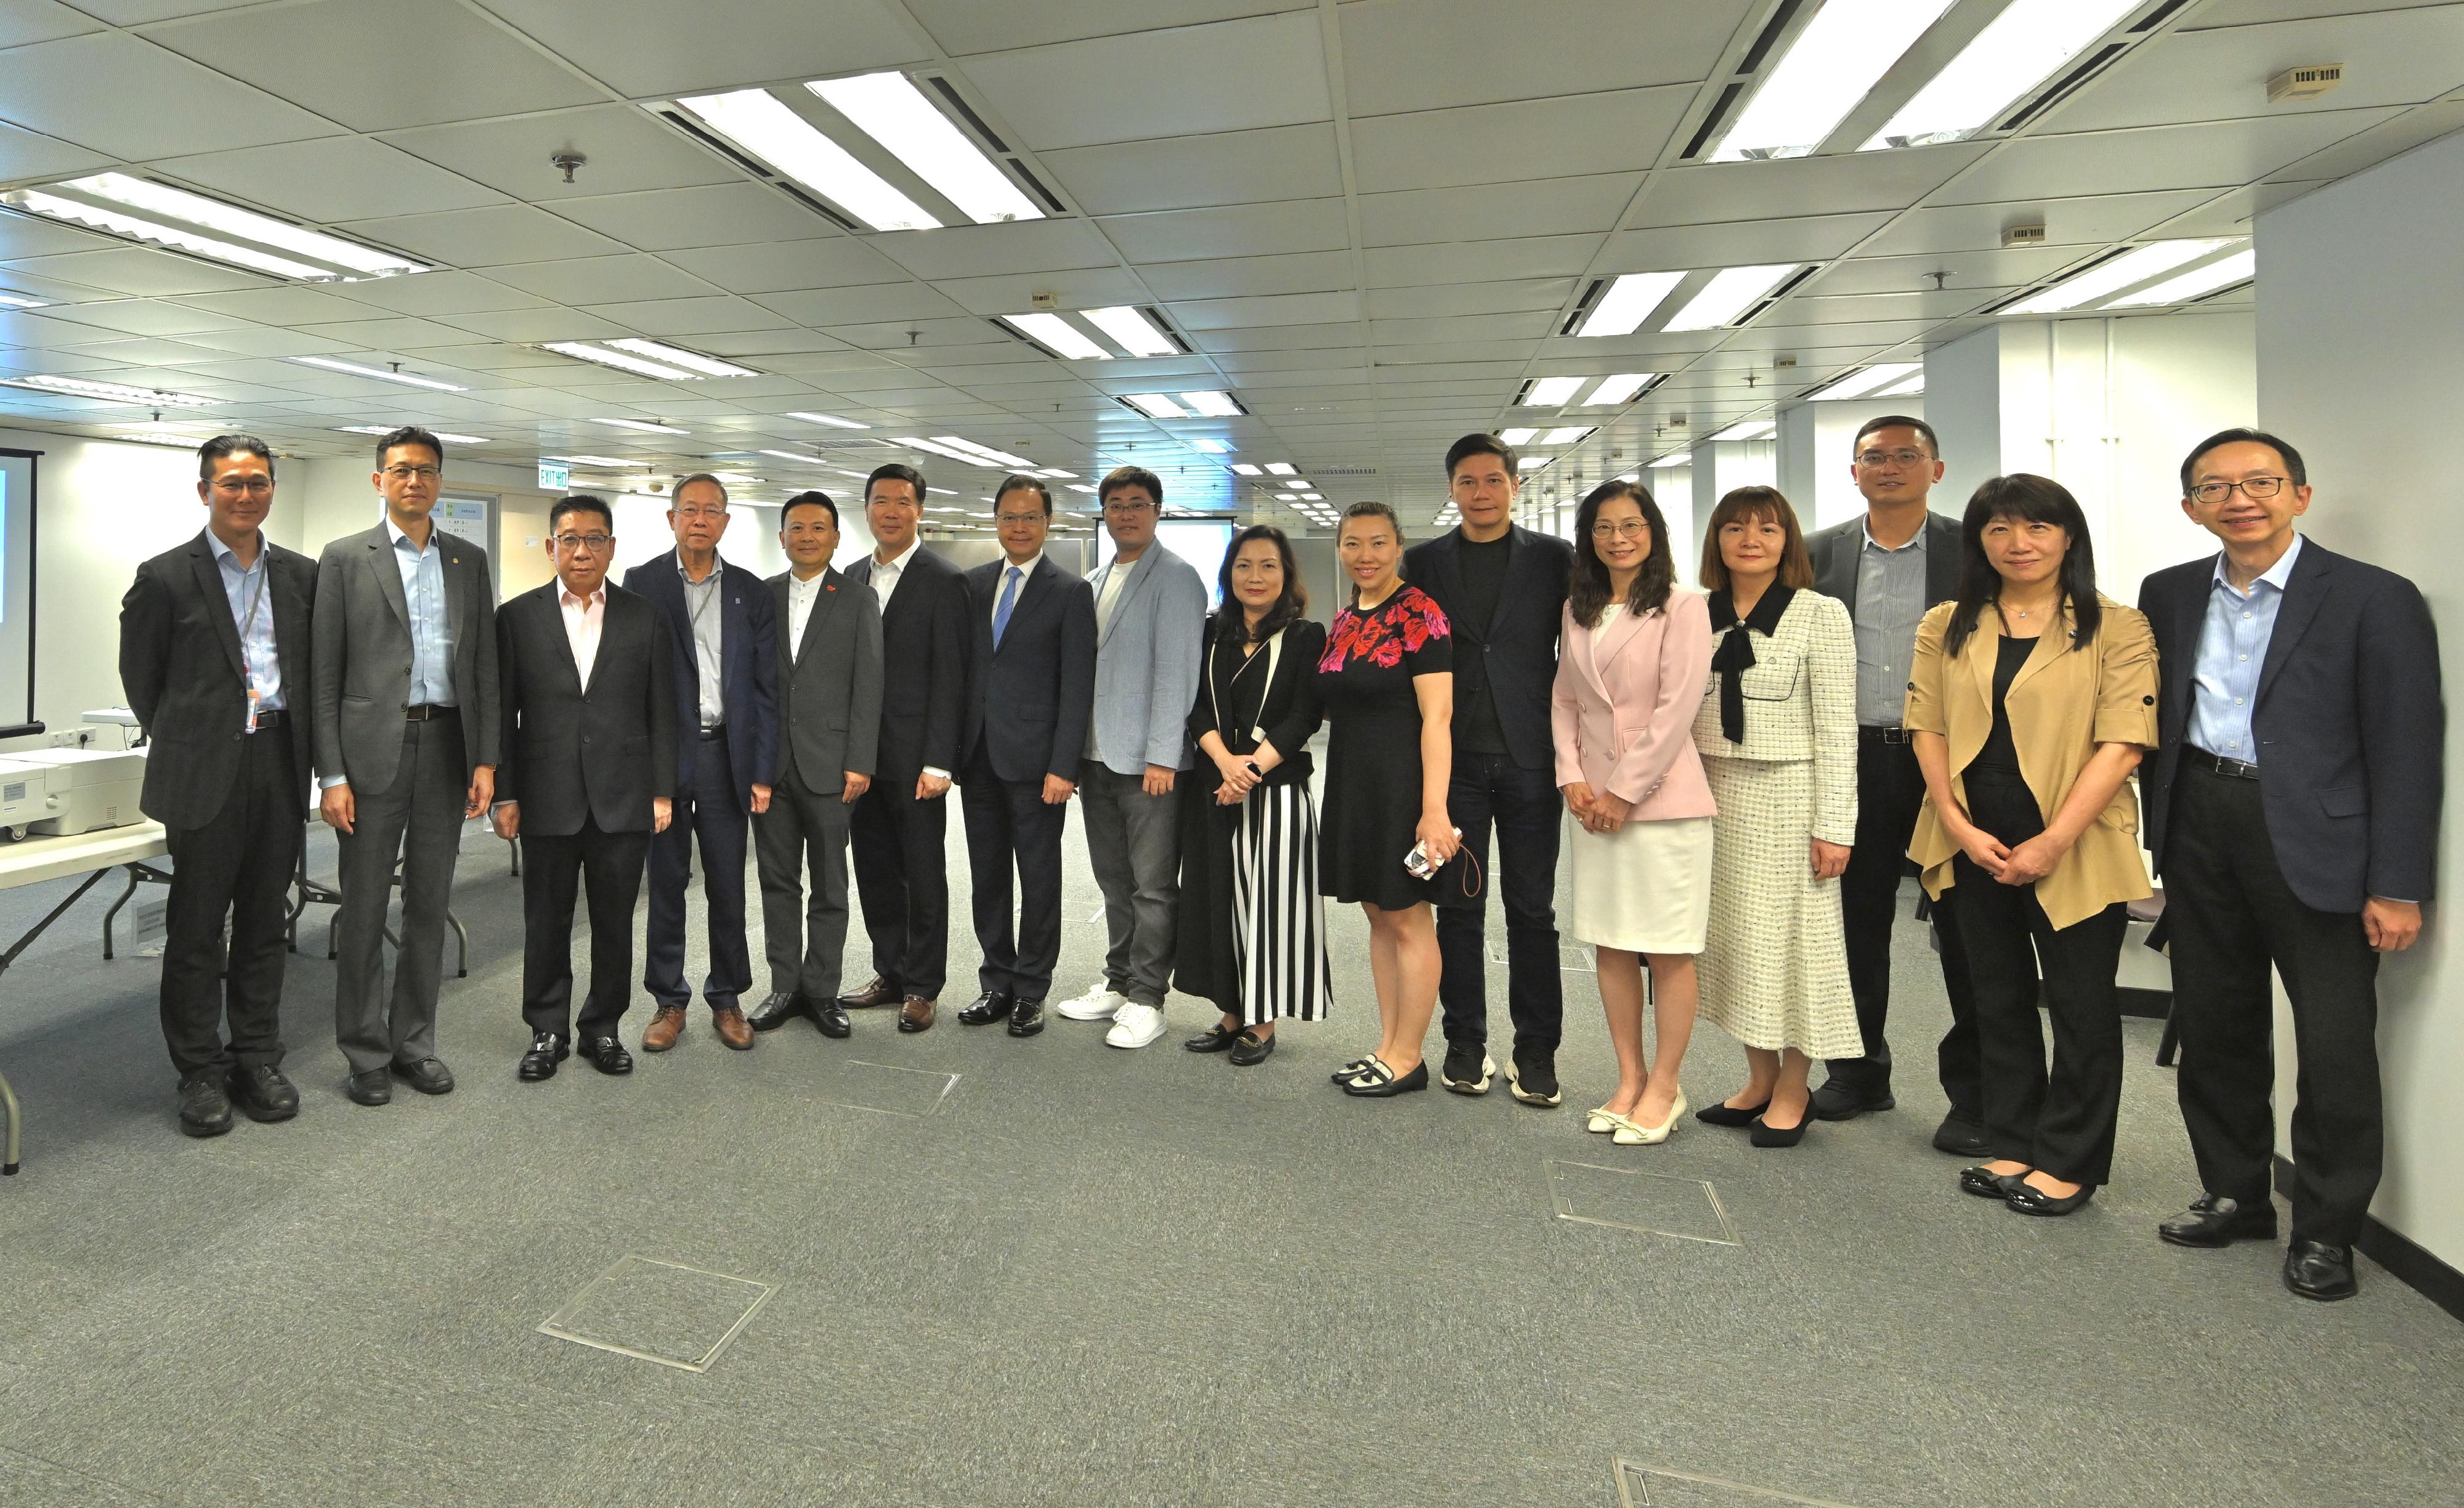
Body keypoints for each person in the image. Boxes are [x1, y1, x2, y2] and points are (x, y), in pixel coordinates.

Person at [2139, 428, 2441, 1301]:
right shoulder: (2167, 593)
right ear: (2191, 507)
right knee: (2215, 1022)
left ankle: (2326, 1231)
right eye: (2216, 487)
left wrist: (2397, 883)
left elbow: (2407, 747)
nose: (2239, 500)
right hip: (2199, 820)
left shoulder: (2373, 597)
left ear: (2299, 495)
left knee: (2334, 1042)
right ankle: (2235, 1193)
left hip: (2319, 840)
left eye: (2261, 482)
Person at [1906, 474, 2156, 1217]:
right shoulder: (1947, 623)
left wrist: (2052, 841)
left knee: (2081, 1003)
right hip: (1969, 833)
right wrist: (1955, 823)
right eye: (1999, 529)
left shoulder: (2117, 626)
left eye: (2037, 527)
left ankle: (2069, 1161)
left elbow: (2124, 742)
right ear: (1978, 541)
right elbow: (1926, 726)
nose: (2019, 544)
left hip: (2075, 836)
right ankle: (2012, 1140)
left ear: (2067, 536)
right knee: (1995, 996)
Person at [119, 435, 318, 1137]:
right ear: (205, 491)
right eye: (231, 483)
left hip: (279, 762)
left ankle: (256, 1057)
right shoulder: (164, 577)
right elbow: (142, 681)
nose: (245, 495)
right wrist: (195, 737)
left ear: (272, 491)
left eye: (258, 482)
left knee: (266, 921)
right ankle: (199, 1070)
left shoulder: (300, 575)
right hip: (203, 771)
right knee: (197, 929)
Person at [1805, 415, 1984, 1154]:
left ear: (1935, 470)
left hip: (1951, 758)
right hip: (1851, 755)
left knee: (1965, 927)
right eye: (1874, 458)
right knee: (1853, 921)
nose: (1889, 468)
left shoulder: (1975, 550)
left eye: (1906, 456)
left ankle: (1976, 1093)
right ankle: (1856, 1071)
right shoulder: (1816, 553)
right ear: (1853, 472)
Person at [310, 426, 500, 1108]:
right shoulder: (343, 559)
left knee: (429, 904)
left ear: (440, 482)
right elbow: (323, 673)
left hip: (447, 748)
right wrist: (331, 774)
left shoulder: (468, 560)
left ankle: (414, 1043)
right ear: (379, 481)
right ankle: (365, 1052)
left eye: (425, 470)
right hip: (370, 756)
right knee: (363, 909)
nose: (413, 481)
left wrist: (487, 759)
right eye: (400, 470)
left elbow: (483, 665)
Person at [1403, 434, 1575, 1105]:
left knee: (1532, 910)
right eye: (1468, 482)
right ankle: (1465, 1043)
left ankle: (1536, 1050)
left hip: (1533, 756)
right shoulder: (1423, 563)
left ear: (1514, 485)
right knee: (1458, 909)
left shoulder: (1554, 559)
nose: (1481, 493)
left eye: (1493, 480)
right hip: (1456, 763)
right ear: (1452, 489)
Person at [1687, 487, 1861, 1148]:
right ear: (1717, 541)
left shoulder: (1820, 614)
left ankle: (1794, 1087)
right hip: (1713, 797)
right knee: (1735, 946)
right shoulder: (1696, 613)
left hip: (1790, 799)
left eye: (1766, 529)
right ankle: (1759, 1079)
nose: (1750, 540)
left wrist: (1835, 826)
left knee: (1793, 949)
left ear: (1788, 540)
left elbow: (1838, 729)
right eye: (1735, 528)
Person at [1551, 480, 1716, 1145]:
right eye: (1603, 527)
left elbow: (1678, 708)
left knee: (1667, 948)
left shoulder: (1683, 605)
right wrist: (1571, 777)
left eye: (1631, 525)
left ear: (1653, 531)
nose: (1618, 538)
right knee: (1612, 943)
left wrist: (1624, 791)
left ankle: (1666, 1087)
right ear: (1588, 538)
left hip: (1662, 802)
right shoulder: (1578, 608)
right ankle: (1629, 1077)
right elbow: (1565, 698)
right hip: (1592, 803)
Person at [492, 495, 676, 1082]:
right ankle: (547, 1029)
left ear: (611, 548)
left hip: (623, 796)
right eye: (569, 539)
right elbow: (503, 714)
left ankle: (603, 1027)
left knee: (614, 921)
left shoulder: (645, 617)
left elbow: (662, 711)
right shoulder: (517, 617)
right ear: (551, 547)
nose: (581, 551)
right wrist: (505, 793)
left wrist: (662, 791)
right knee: (546, 920)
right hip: (546, 796)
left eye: (595, 539)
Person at [622, 474, 779, 1054]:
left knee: (727, 883)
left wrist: (762, 769)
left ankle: (727, 996)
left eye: (712, 511)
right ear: (671, 519)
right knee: (665, 881)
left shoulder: (750, 591)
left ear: (726, 522)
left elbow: (766, 690)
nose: (700, 520)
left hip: (724, 756)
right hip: (666, 757)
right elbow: (631, 679)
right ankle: (669, 999)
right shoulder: (642, 583)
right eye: (689, 510)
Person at [1054, 465, 1207, 1049]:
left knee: (1153, 886)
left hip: (1150, 765)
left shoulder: (1177, 577)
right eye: (1116, 504)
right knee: (1114, 882)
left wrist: (1164, 755)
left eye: (1138, 503)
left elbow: (1177, 673)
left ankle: (1148, 998)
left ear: (1157, 511)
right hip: (1096, 758)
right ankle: (1119, 981)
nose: (1126, 514)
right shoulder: (1094, 579)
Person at [1317, 500, 1459, 1097]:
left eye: (1378, 543)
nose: (1365, 555)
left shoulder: (1420, 613)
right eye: (1353, 543)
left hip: (1403, 787)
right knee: (1377, 913)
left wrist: (1434, 809)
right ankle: (1388, 1045)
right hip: (1353, 783)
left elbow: (1438, 717)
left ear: (1399, 547)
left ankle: (1409, 1056)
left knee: (1407, 917)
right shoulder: (1345, 618)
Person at [1176, 526, 1332, 1065]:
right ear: (1229, 574)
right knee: (1218, 898)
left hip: (1276, 791)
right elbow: (1195, 706)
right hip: (1213, 784)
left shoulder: (1306, 636)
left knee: (1268, 907)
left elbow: (1305, 715)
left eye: (1268, 565)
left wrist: (1249, 771)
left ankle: (1262, 1023)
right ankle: (1231, 1013)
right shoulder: (1210, 633)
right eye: (1244, 565)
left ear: (1286, 574)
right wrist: (1225, 762)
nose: (1256, 577)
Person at [952, 476, 1097, 1039]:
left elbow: (1077, 686)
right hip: (978, 759)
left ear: (1047, 524)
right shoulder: (972, 584)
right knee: (987, 877)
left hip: (1038, 765)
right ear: (996, 522)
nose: (1019, 527)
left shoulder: (1069, 591)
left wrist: (1065, 766)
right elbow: (964, 673)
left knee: (1038, 880)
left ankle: (1032, 988)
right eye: (1009, 517)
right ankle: (996, 981)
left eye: (1030, 517)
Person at [840, 463, 971, 1035]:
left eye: (902, 501)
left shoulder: (945, 580)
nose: (890, 512)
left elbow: (952, 677)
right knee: (873, 869)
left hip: (917, 759)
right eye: (880, 501)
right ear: (866, 508)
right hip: (859, 760)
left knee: (922, 874)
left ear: (920, 510)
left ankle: (923, 985)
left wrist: (941, 761)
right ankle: (890, 971)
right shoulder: (849, 575)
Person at [748, 492, 882, 1040]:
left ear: (836, 538)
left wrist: (861, 760)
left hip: (833, 766)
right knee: (777, 881)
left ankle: (822, 989)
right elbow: (749, 684)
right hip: (772, 767)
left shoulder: (858, 598)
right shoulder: (760, 596)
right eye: (797, 528)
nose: (807, 537)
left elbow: (869, 684)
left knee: (830, 884)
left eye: (818, 528)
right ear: (782, 537)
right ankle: (784, 986)